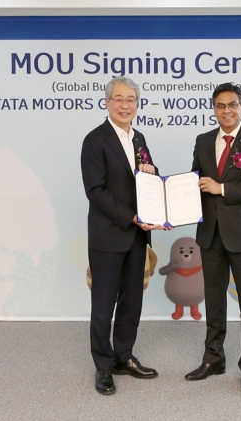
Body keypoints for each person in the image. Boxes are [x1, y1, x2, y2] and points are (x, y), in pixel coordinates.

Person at [186, 82, 241, 396]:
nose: (227, 110)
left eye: (232, 105)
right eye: (221, 105)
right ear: (214, 109)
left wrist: (222, 188)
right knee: (214, 300)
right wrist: (171, 209)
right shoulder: (203, 140)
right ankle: (214, 359)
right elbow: (196, 182)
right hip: (210, 233)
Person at [81, 76, 163, 395]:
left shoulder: (139, 137)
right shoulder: (95, 140)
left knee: (132, 302)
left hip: (137, 238)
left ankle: (123, 357)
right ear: (107, 102)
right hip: (108, 236)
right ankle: (103, 367)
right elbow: (96, 191)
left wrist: (155, 182)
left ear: (137, 104)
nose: (125, 105)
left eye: (131, 99)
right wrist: (133, 217)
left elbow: (148, 176)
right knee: (103, 304)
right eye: (119, 99)